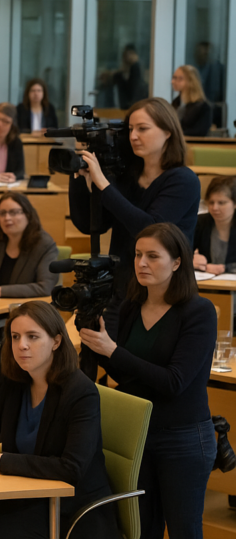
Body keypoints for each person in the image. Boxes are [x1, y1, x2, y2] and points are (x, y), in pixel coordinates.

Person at [79, 222, 215, 539]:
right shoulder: (131, 306)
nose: (141, 263)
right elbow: (126, 374)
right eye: (138, 254)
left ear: (177, 262)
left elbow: (173, 382)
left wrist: (112, 351)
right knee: (142, 529)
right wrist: (95, 346)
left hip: (182, 437)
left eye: (153, 256)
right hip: (137, 433)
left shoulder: (199, 311)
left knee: (184, 530)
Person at [0, 301, 118, 539]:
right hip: (22, 493)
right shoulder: (15, 381)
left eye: (32, 337)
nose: (22, 346)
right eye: (16, 337)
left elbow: (70, 469)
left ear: (56, 342)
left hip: (70, 508)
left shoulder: (80, 392)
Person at [70, 97, 201, 309]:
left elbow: (150, 230)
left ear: (168, 132)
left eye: (143, 129)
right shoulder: (126, 177)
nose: (133, 136)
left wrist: (103, 184)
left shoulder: (183, 180)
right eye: (130, 129)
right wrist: (79, 173)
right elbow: (91, 224)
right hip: (123, 291)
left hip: (167, 294)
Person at [193, 175, 236, 274]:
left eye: (221, 203)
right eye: (211, 202)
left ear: (234, 203)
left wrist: (225, 268)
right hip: (208, 282)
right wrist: (192, 259)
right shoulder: (201, 222)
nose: (215, 207)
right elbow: (182, 250)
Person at [171, 65, 213, 137]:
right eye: (174, 77)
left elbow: (200, 131)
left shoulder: (203, 107)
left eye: (180, 78)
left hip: (194, 145)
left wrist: (175, 134)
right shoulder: (175, 103)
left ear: (191, 81)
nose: (173, 81)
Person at [112, 44, 147, 110]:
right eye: (126, 54)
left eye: (130, 53)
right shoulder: (121, 74)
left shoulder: (136, 68)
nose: (128, 56)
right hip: (124, 107)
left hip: (134, 105)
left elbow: (136, 89)